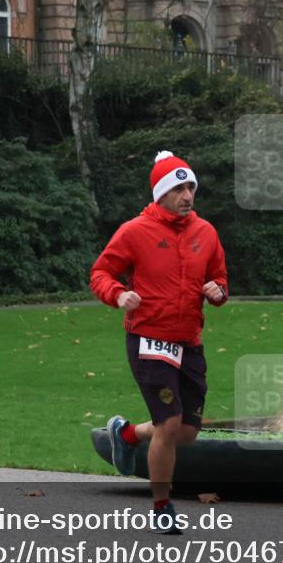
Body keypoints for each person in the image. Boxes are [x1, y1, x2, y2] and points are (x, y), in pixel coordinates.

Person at [89, 151, 228, 535]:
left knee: (186, 432)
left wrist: (218, 292)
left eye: (191, 187)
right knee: (168, 425)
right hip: (148, 339)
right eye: (179, 188)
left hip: (189, 341)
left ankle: (128, 433)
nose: (188, 195)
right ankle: (162, 506)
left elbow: (219, 280)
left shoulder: (206, 233)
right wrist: (117, 294)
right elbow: (101, 272)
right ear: (161, 193)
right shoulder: (135, 231)